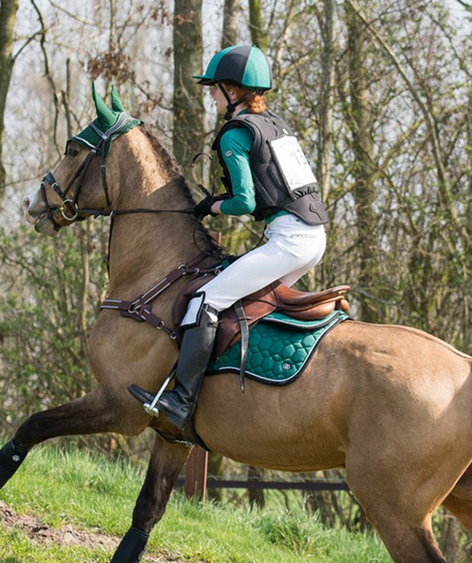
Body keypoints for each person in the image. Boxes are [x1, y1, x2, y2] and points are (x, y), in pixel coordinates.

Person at [129, 44, 328, 430]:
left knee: (205, 300)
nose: (210, 93)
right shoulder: (276, 125)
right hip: (312, 237)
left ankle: (182, 400)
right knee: (244, 306)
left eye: (214, 87)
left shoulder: (234, 135)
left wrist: (213, 206)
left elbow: (244, 201)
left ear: (233, 91)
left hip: (288, 241)